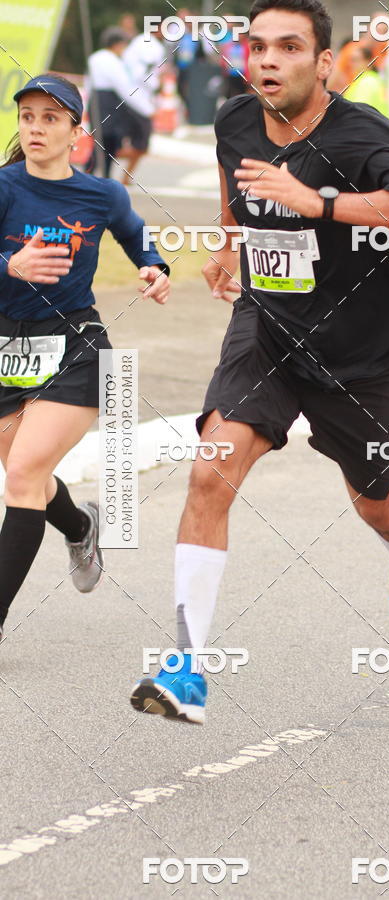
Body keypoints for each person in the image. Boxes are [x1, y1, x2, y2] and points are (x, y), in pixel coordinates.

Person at [130, 0, 389, 725]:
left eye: (287, 47)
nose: (268, 60)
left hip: (358, 355)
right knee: (210, 466)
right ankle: (187, 666)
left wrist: (319, 201)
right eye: (257, 46)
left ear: (322, 62)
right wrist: (227, 246)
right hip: (268, 328)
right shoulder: (234, 119)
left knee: (381, 504)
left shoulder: (359, 132)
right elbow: (235, 188)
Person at [0, 75, 170, 641]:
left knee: (22, 473)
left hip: (75, 341)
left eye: (50, 118)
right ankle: (80, 526)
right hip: (6, 343)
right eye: (27, 117)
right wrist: (9, 265)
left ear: (77, 131)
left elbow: (137, 237)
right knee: (28, 473)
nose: (36, 128)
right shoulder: (3, 187)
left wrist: (154, 267)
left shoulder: (103, 195)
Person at [86, 27, 153, 179]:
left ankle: (90, 176)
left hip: (95, 101)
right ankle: (101, 178)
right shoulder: (111, 61)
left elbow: (88, 83)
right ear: (117, 44)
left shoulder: (94, 58)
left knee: (99, 145)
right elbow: (125, 88)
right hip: (109, 104)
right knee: (108, 145)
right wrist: (147, 109)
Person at [121, 28, 165, 183]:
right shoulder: (154, 47)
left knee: (135, 144)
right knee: (142, 145)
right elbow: (145, 74)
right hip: (140, 101)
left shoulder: (137, 41)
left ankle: (125, 176)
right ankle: (124, 175)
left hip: (127, 96)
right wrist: (155, 87)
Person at [343, 44, 389, 117]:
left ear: (368, 62)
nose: (351, 64)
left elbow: (359, 113)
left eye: (355, 60)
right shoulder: (371, 79)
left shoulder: (367, 82)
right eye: (350, 60)